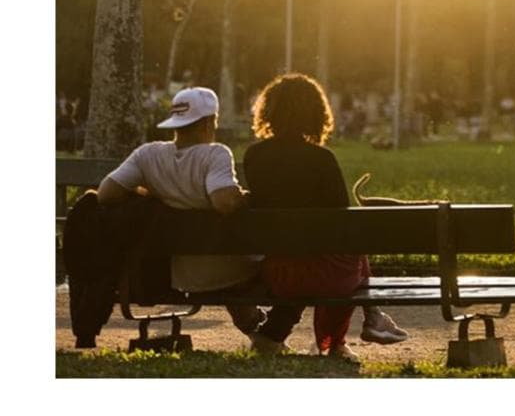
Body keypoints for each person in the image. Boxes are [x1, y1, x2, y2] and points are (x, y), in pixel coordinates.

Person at [243, 73, 408, 363]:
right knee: (348, 252)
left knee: (314, 255)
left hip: (279, 274)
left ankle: (272, 336)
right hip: (328, 278)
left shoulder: (254, 156)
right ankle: (342, 339)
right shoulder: (322, 159)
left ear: (269, 111)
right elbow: (343, 225)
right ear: (317, 113)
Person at [96, 87, 264, 340]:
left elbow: (105, 193)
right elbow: (223, 203)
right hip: (226, 266)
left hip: (178, 271)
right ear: (209, 123)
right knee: (253, 260)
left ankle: (256, 330)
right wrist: (243, 196)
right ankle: (259, 330)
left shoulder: (147, 154)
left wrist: (153, 194)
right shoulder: (215, 154)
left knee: (219, 262)